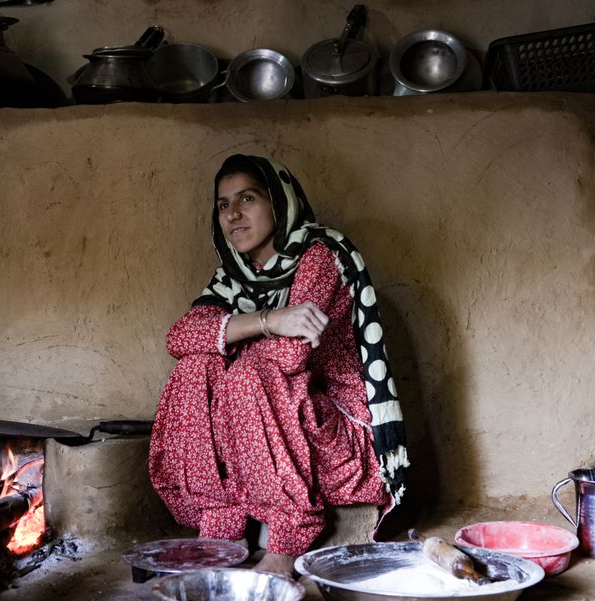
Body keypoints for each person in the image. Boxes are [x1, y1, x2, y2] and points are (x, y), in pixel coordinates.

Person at [148, 154, 409, 577]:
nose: (233, 214)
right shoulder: (234, 276)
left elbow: (291, 356)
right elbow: (178, 339)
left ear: (279, 203)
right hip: (271, 429)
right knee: (195, 369)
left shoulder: (321, 254)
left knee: (251, 371)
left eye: (247, 198)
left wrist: (235, 335)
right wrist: (268, 320)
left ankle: (288, 539)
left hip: (339, 441)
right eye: (223, 204)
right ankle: (224, 527)